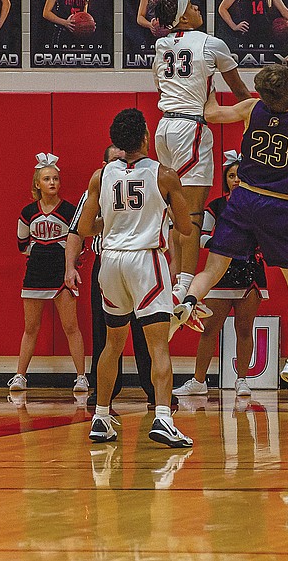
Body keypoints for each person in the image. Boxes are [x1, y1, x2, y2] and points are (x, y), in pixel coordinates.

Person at [173, 47, 288, 395]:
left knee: (212, 270)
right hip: (276, 205)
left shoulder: (250, 109)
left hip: (241, 199)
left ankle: (188, 302)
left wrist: (206, 79)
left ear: (263, 94)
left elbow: (209, 113)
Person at [74, 108, 193, 448]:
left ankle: (100, 416)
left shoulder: (102, 175)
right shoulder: (165, 175)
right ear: (145, 137)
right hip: (145, 261)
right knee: (158, 345)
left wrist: (113, 225)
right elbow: (185, 228)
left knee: (112, 344)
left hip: (110, 261)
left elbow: (84, 229)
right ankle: (163, 418)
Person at [152, 0, 252, 304]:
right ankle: (183, 287)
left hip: (164, 126)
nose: (198, 8)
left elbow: (159, 85)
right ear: (183, 18)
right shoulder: (211, 43)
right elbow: (239, 91)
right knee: (192, 214)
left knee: (174, 212)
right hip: (189, 129)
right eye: (193, 6)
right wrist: (262, 114)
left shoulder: (161, 45)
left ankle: (172, 278)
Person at [65, 144, 160, 408]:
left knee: (148, 331)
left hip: (140, 261)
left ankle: (155, 391)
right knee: (105, 333)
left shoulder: (150, 181)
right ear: (105, 166)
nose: (124, 165)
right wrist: (69, 266)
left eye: (125, 159)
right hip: (109, 261)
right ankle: (104, 392)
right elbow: (77, 230)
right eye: (116, 161)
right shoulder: (96, 188)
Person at [173, 151, 268, 398]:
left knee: (245, 328)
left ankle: (243, 380)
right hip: (220, 273)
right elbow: (200, 237)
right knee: (209, 329)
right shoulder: (216, 207)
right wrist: (225, 245)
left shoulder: (259, 204)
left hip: (250, 272)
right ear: (225, 179)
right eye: (231, 176)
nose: (236, 180)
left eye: (240, 175)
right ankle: (199, 380)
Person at [10, 153, 86, 392]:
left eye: (55, 178)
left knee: (71, 327)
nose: (52, 183)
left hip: (61, 275)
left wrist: (67, 265)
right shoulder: (27, 212)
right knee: (30, 328)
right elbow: (22, 245)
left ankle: (81, 377)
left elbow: (80, 244)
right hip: (35, 275)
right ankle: (20, 376)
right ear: (37, 183)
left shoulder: (70, 211)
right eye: (46, 179)